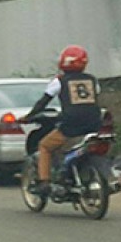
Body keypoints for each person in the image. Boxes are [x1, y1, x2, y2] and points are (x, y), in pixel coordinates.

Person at [20, 45, 101, 196]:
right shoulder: (92, 80)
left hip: (71, 124)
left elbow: (43, 102)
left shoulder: (60, 81)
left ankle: (44, 182)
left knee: (44, 146)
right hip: (94, 123)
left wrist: (28, 117)